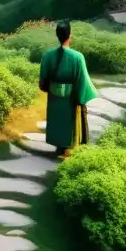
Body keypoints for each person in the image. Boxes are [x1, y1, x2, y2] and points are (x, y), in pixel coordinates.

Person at [38, 21, 98, 157]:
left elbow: (43, 81)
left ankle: (59, 148)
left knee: (57, 120)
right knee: (69, 122)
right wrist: (81, 98)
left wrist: (51, 88)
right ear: (70, 36)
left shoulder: (48, 55)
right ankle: (68, 150)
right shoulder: (77, 57)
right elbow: (82, 80)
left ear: (57, 36)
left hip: (54, 95)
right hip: (70, 96)